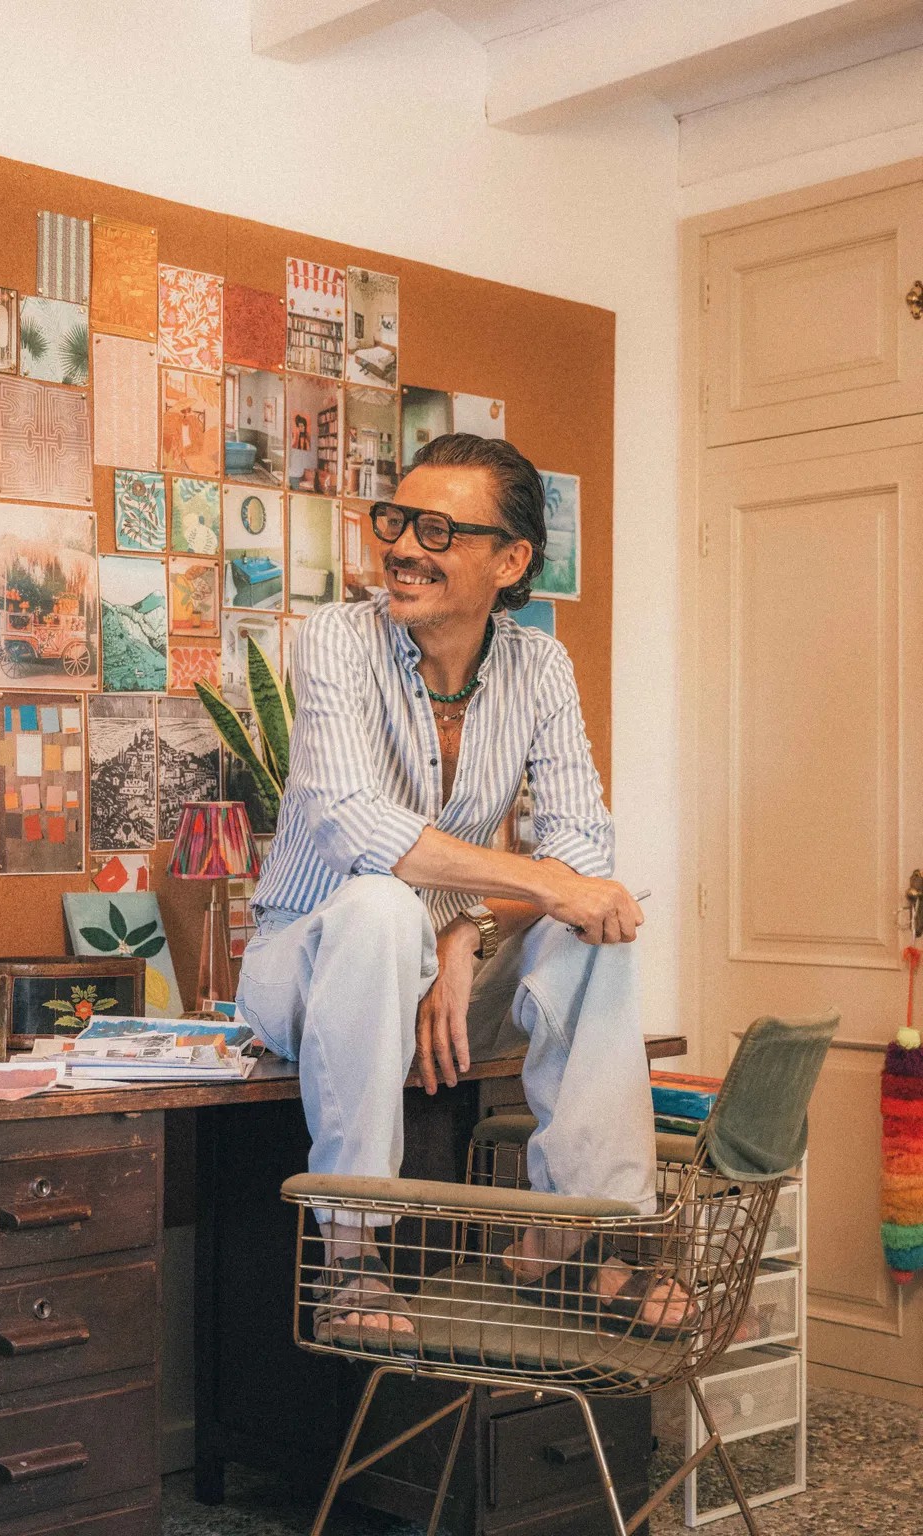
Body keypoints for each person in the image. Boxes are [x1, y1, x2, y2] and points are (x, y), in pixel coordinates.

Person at [239, 433, 674, 1342]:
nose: (402, 547)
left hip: (444, 973)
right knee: (377, 903)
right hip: (309, 965)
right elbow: (356, 829)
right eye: (395, 521)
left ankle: (586, 1240)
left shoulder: (538, 666)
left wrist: (465, 929)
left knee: (599, 924)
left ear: (509, 561)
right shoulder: (334, 643)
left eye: (437, 531)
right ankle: (352, 1261)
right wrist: (476, 908)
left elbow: (582, 847)